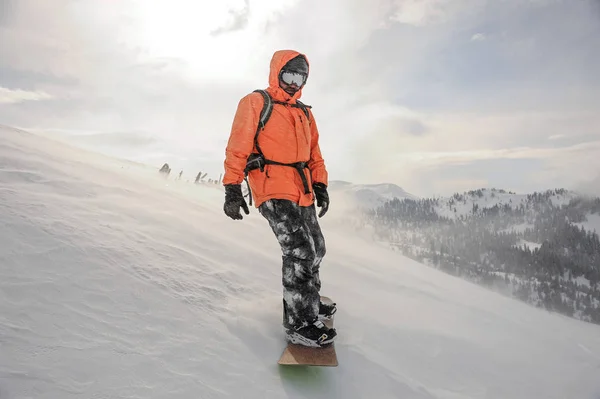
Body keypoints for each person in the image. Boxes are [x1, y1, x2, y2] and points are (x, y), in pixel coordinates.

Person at [222, 49, 337, 347]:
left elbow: (315, 155)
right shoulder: (257, 102)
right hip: (271, 184)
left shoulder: (304, 112)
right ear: (276, 73)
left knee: (317, 248)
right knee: (299, 249)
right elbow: (238, 145)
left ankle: (307, 300)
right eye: (289, 75)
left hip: (302, 187)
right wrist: (232, 187)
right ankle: (299, 323)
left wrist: (320, 185)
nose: (293, 82)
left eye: (300, 77)